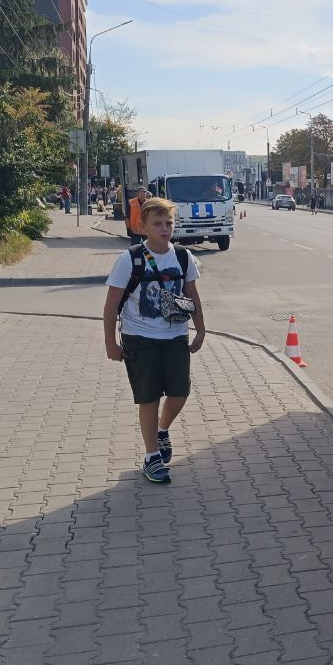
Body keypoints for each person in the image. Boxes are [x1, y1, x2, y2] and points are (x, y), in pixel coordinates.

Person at [103, 197, 206, 484]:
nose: (164, 229)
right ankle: (152, 457)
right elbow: (111, 305)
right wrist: (111, 342)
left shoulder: (183, 257)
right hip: (139, 337)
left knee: (179, 393)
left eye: (168, 223)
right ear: (143, 226)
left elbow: (192, 295)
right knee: (148, 397)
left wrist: (200, 329)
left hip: (175, 335)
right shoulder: (130, 259)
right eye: (157, 224)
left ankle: (162, 430)